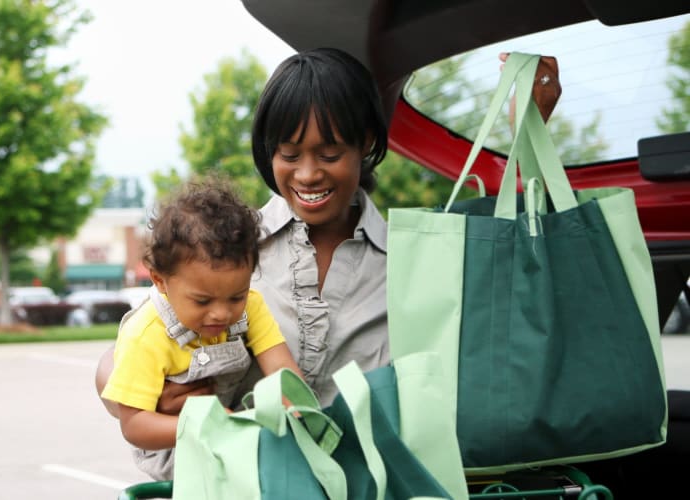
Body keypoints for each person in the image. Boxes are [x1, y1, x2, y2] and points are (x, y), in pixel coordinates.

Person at [96, 47, 561, 477]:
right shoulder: (223, 251)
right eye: (289, 154)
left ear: (366, 144)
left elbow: (507, 272)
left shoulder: (412, 259)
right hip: (243, 481)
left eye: (330, 153)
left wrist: (526, 136)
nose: (307, 174)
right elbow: (133, 351)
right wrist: (153, 395)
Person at [100, 176, 303, 478]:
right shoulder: (147, 333)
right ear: (160, 281)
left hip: (230, 432)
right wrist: (208, 422)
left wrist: (296, 407)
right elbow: (134, 425)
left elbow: (281, 369)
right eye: (202, 301)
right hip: (174, 448)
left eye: (236, 296)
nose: (220, 314)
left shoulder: (252, 307)